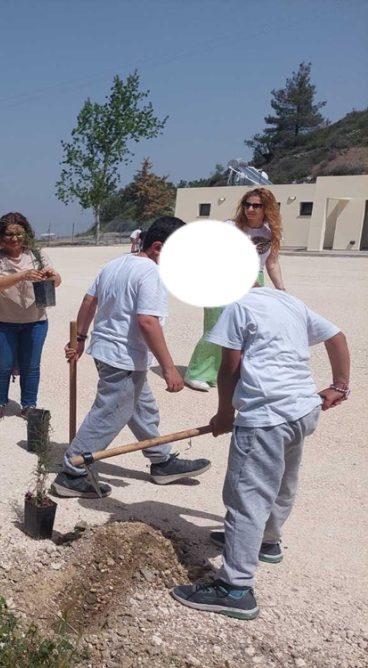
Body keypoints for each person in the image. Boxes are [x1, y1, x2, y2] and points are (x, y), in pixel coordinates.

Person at [171, 289, 349, 620]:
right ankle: (266, 542)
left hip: (265, 417)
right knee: (282, 482)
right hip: (301, 411)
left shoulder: (235, 308)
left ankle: (234, 589)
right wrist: (341, 386)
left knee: (245, 498)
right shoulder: (288, 301)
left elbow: (230, 367)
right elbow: (337, 337)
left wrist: (225, 414)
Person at [52, 216, 211, 498]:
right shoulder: (152, 273)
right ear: (159, 248)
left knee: (141, 409)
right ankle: (72, 472)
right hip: (122, 358)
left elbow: (90, 300)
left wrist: (80, 338)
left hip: (109, 352)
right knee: (109, 413)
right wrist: (169, 368)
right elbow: (147, 321)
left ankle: (162, 461)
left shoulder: (116, 263)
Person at [184, 188, 285, 392]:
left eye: (256, 205)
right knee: (216, 328)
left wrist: (281, 289)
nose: (250, 209)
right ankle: (198, 373)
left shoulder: (271, 232)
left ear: (267, 207)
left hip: (254, 280)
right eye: (247, 204)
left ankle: (229, 374)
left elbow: (272, 263)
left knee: (244, 330)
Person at [0, 212, 62, 423]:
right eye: (8, 234)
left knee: (31, 365)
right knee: (2, 364)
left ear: (27, 234)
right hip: (1, 321)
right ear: (0, 235)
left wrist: (52, 276)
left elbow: (57, 281)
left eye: (19, 234)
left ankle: (29, 406)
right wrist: (22, 275)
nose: (14, 239)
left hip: (35, 321)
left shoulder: (37, 255)